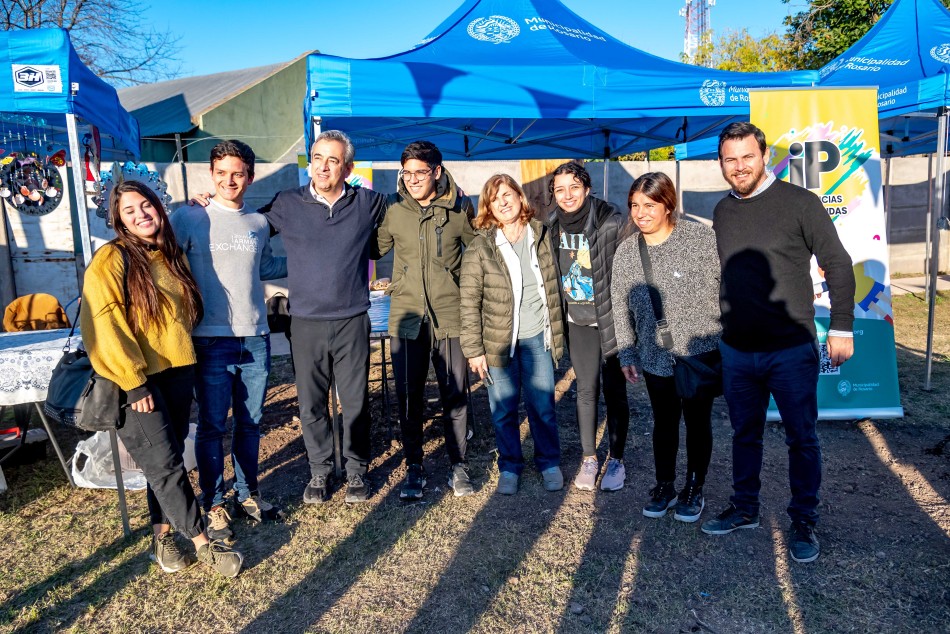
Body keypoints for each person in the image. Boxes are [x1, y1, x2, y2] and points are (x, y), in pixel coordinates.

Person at [701, 122, 855, 563]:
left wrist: (841, 326)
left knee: (801, 438)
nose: (739, 167)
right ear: (721, 163)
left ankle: (804, 518)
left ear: (764, 155)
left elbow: (838, 264)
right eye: (729, 159)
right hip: (737, 350)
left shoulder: (800, 203)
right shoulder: (722, 211)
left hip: (791, 348)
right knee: (744, 434)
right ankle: (745, 507)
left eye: (747, 157)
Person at [80, 180, 243, 577]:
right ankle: (204, 543)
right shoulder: (112, 258)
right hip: (137, 382)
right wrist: (133, 382)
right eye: (129, 210)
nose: (140, 214)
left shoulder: (167, 253)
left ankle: (162, 537)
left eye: (146, 205)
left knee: (161, 463)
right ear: (117, 219)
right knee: (167, 464)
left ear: (159, 207)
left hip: (176, 371)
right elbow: (103, 323)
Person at [260, 130, 386, 504]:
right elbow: (246, 228)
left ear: (347, 167)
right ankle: (319, 471)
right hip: (305, 323)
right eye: (317, 158)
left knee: (356, 400)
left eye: (333, 160)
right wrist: (209, 203)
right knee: (311, 403)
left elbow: (411, 207)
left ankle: (357, 469)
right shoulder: (287, 203)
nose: (323, 166)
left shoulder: (369, 202)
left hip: (351, 320)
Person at [171, 140, 288, 544]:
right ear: (211, 175)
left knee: (251, 422)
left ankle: (247, 492)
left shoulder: (257, 223)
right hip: (209, 340)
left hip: (254, 337)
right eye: (221, 173)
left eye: (237, 173)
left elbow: (268, 266)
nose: (229, 180)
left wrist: (319, 258)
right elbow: (163, 254)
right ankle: (214, 501)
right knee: (212, 425)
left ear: (250, 177)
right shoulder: (189, 217)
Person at [610, 172, 721, 523]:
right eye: (634, 206)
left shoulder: (700, 237)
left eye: (649, 205)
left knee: (698, 421)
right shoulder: (628, 251)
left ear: (668, 204)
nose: (640, 213)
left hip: (700, 351)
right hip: (655, 356)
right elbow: (618, 305)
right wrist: (626, 353)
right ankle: (665, 484)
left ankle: (694, 485)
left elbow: (722, 287)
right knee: (664, 422)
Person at [373, 141, 476, 500]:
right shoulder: (393, 209)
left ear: (436, 171)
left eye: (420, 172)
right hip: (407, 318)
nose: (413, 179)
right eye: (407, 172)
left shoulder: (460, 207)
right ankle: (414, 466)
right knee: (408, 396)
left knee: (455, 394)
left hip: (450, 316)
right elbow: (375, 247)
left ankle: (458, 465)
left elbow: (478, 250)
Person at [460, 174, 565, 495]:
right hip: (499, 343)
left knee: (542, 406)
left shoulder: (542, 235)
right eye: (495, 198)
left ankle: (549, 461)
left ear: (520, 198)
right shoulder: (481, 247)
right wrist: (473, 349)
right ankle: (509, 465)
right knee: (504, 409)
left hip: (538, 338)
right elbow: (468, 302)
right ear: (488, 207)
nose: (503, 202)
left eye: (508, 194)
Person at [548, 162, 630, 492]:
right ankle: (588, 458)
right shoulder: (552, 225)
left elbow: (625, 271)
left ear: (586, 187)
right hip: (577, 320)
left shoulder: (611, 220)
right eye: (560, 189)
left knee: (615, 390)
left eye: (574, 187)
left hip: (610, 320)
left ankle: (617, 459)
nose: (567, 195)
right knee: (585, 389)